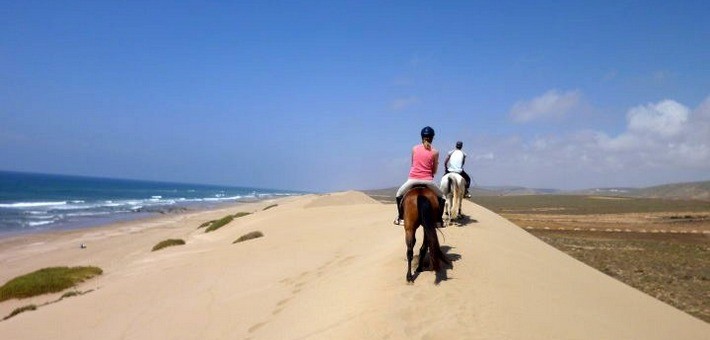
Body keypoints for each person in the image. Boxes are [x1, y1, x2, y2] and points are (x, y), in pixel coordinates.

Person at [393, 126, 447, 227]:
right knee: (443, 197)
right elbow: (434, 170)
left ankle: (401, 218)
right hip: (428, 181)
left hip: (413, 179)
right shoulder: (435, 152)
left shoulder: (414, 148)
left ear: (421, 137)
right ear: (432, 138)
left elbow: (412, 164)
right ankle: (439, 221)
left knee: (398, 194)